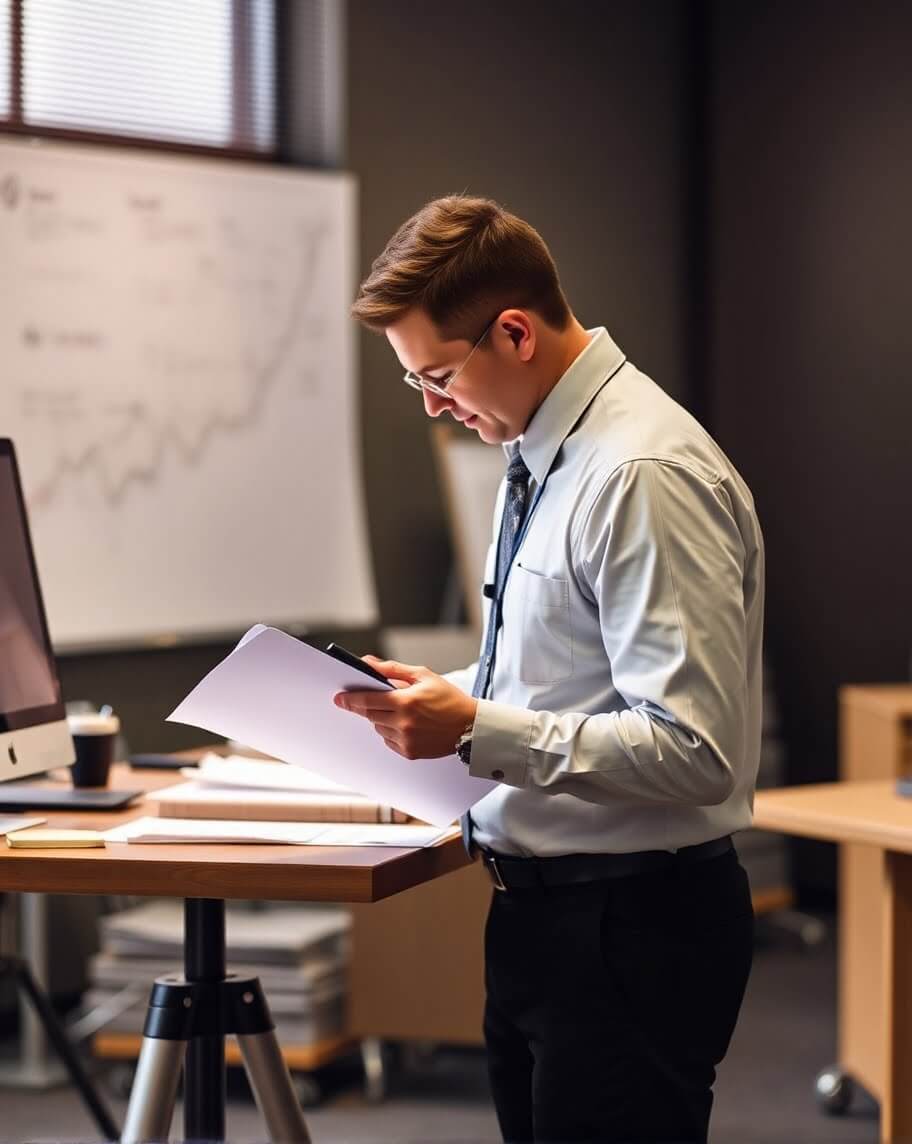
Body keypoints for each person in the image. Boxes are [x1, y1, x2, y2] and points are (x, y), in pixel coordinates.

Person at [337, 194, 763, 1144]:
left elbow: (696, 749)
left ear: (515, 333)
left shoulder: (639, 472)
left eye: (438, 375)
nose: (432, 405)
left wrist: (474, 729)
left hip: (631, 924)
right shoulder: (542, 452)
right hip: (542, 916)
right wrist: (445, 699)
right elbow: (561, 676)